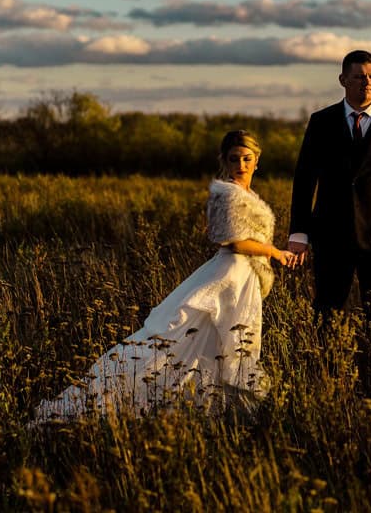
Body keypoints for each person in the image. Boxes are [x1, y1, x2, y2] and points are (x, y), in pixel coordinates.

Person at [34, 130, 295, 421]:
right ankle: (124, 398)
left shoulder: (248, 194)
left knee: (224, 343)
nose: (242, 165)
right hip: (229, 274)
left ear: (257, 161)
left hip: (245, 277)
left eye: (247, 159)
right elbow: (230, 240)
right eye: (235, 159)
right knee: (192, 339)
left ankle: (217, 410)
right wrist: (274, 252)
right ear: (224, 161)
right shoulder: (226, 193)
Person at [287, 50, 371, 377]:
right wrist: (299, 232)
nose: (367, 83)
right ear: (343, 80)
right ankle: (327, 381)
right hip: (332, 237)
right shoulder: (321, 122)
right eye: (360, 76)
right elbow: (305, 178)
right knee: (328, 316)